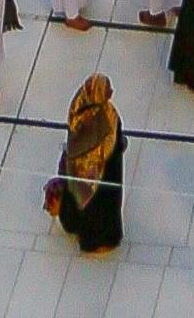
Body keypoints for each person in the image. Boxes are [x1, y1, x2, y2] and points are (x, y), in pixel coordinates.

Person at [46, 69, 124, 255]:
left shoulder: (79, 106)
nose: (111, 93)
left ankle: (83, 230)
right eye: (107, 89)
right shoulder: (105, 117)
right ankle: (100, 238)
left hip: (81, 173)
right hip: (101, 171)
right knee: (102, 205)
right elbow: (108, 145)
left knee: (85, 202)